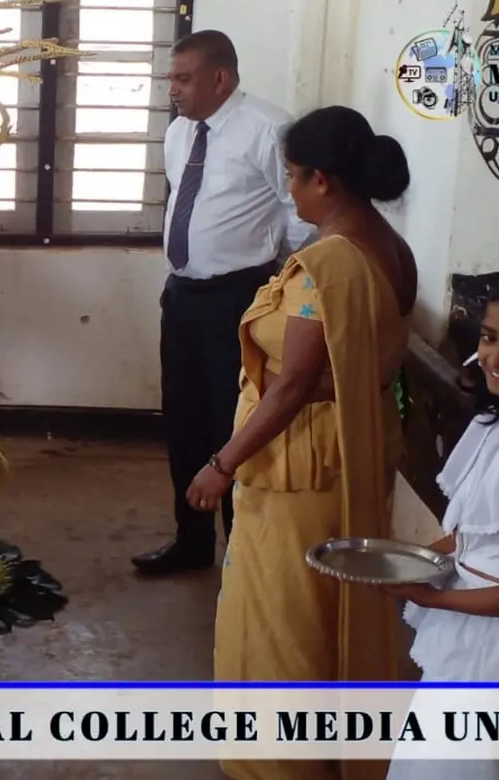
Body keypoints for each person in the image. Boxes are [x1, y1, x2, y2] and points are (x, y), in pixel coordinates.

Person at [186, 105, 416, 780]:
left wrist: (221, 463)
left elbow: (292, 387)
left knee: (282, 620)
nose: (288, 191)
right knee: (327, 607)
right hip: (352, 451)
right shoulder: (391, 248)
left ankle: (280, 764)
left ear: (323, 180)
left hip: (300, 464)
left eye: (291, 176)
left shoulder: (326, 266)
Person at [132, 30, 315, 577]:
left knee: (232, 422)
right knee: (183, 420)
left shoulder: (267, 129)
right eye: (170, 78)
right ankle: (190, 543)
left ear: (221, 78)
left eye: (183, 79)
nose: (172, 89)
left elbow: (299, 209)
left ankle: (240, 555)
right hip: (182, 294)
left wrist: (275, 272)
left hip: (238, 298)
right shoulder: (179, 133)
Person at [382, 291, 499, 780]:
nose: (493, 357)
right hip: (467, 623)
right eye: (490, 338)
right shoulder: (490, 428)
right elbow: (467, 532)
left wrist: (431, 598)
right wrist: (410, 561)